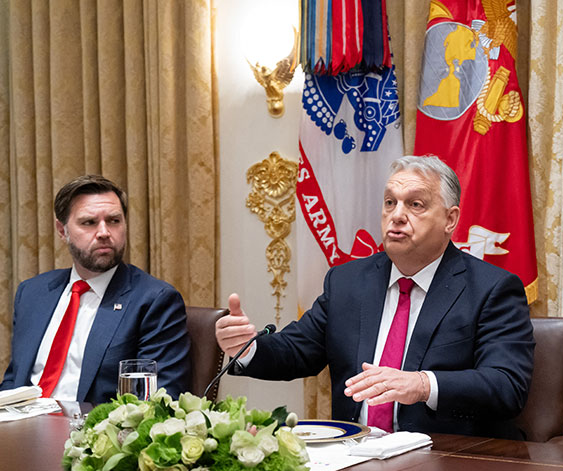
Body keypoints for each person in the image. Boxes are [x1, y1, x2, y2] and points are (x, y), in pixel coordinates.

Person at [216, 154, 534, 438]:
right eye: (389, 202)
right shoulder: (348, 281)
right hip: (352, 456)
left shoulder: (491, 289)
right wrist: (246, 347)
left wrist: (423, 384)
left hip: (446, 463)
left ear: (450, 220)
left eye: (416, 204)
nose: (396, 215)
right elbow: (297, 351)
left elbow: (506, 385)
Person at [1, 175, 191, 403]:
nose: (103, 232)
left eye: (113, 221)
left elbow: (157, 401)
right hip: (20, 430)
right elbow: (14, 382)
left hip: (88, 432)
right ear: (62, 231)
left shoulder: (153, 300)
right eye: (89, 223)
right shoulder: (32, 293)